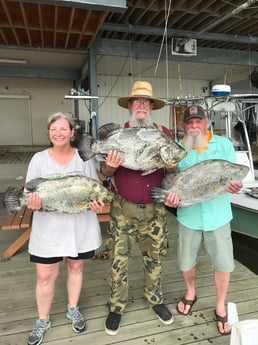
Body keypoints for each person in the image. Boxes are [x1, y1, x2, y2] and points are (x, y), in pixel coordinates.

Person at [100, 80, 174, 336]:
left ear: (151, 106)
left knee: (154, 259)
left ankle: (155, 300)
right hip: (123, 208)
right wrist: (109, 167)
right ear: (129, 106)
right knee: (118, 260)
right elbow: (104, 173)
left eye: (146, 102)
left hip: (155, 209)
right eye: (137, 101)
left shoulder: (164, 132)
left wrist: (172, 167)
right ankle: (116, 306)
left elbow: (171, 169)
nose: (141, 105)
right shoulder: (118, 132)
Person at [26, 112, 105, 345]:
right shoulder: (39, 159)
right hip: (48, 228)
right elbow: (29, 192)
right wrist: (31, 202)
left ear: (72, 133)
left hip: (78, 226)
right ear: (49, 132)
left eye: (63, 129)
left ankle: (73, 308)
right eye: (53, 129)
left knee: (76, 268)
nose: (58, 133)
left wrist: (97, 205)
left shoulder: (84, 159)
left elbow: (94, 190)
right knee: (44, 276)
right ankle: (42, 319)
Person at [164, 105, 243, 336]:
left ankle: (220, 305)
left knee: (223, 264)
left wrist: (234, 186)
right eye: (190, 123)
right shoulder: (177, 149)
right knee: (186, 263)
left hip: (218, 216)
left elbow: (232, 177)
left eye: (198, 121)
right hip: (188, 216)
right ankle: (190, 292)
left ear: (206, 122)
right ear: (184, 125)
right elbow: (170, 181)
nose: (194, 126)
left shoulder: (224, 145)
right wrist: (169, 197)